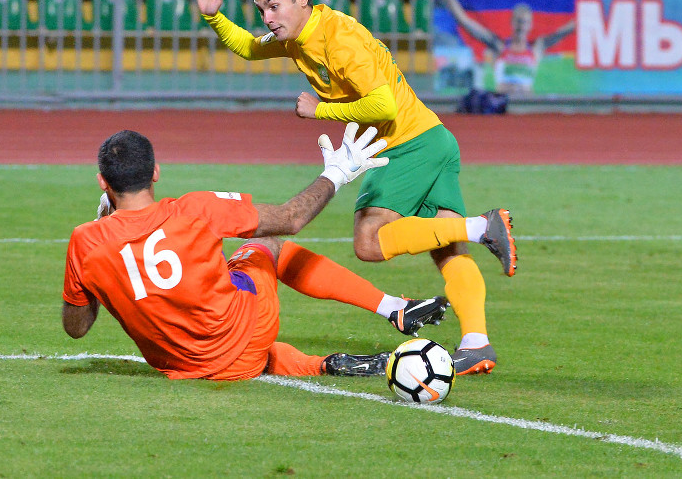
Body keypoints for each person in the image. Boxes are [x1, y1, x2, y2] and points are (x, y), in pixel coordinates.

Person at [193, 0, 517, 375]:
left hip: (405, 143)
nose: (267, 18)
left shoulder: (338, 40)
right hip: (433, 139)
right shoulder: (298, 36)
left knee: (369, 240)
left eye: (274, 6)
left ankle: (483, 226)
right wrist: (214, 16)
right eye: (261, 10)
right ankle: (476, 343)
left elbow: (384, 106)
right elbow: (249, 48)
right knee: (446, 243)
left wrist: (319, 111)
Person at [62, 125, 449, 380]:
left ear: (102, 182)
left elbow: (76, 328)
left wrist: (99, 247)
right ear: (155, 172)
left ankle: (320, 365)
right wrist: (337, 172)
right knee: (266, 245)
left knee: (216, 311)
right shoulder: (195, 208)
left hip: (189, 369)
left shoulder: (86, 241)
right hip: (248, 337)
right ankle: (392, 308)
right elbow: (291, 218)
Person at [435, 0, 576, 97]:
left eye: (525, 22)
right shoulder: (499, 46)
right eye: (519, 21)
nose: (521, 26)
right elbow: (465, 21)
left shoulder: (536, 48)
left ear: (530, 25)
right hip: (504, 105)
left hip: (527, 105)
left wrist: (585, 15)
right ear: (512, 22)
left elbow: (564, 31)